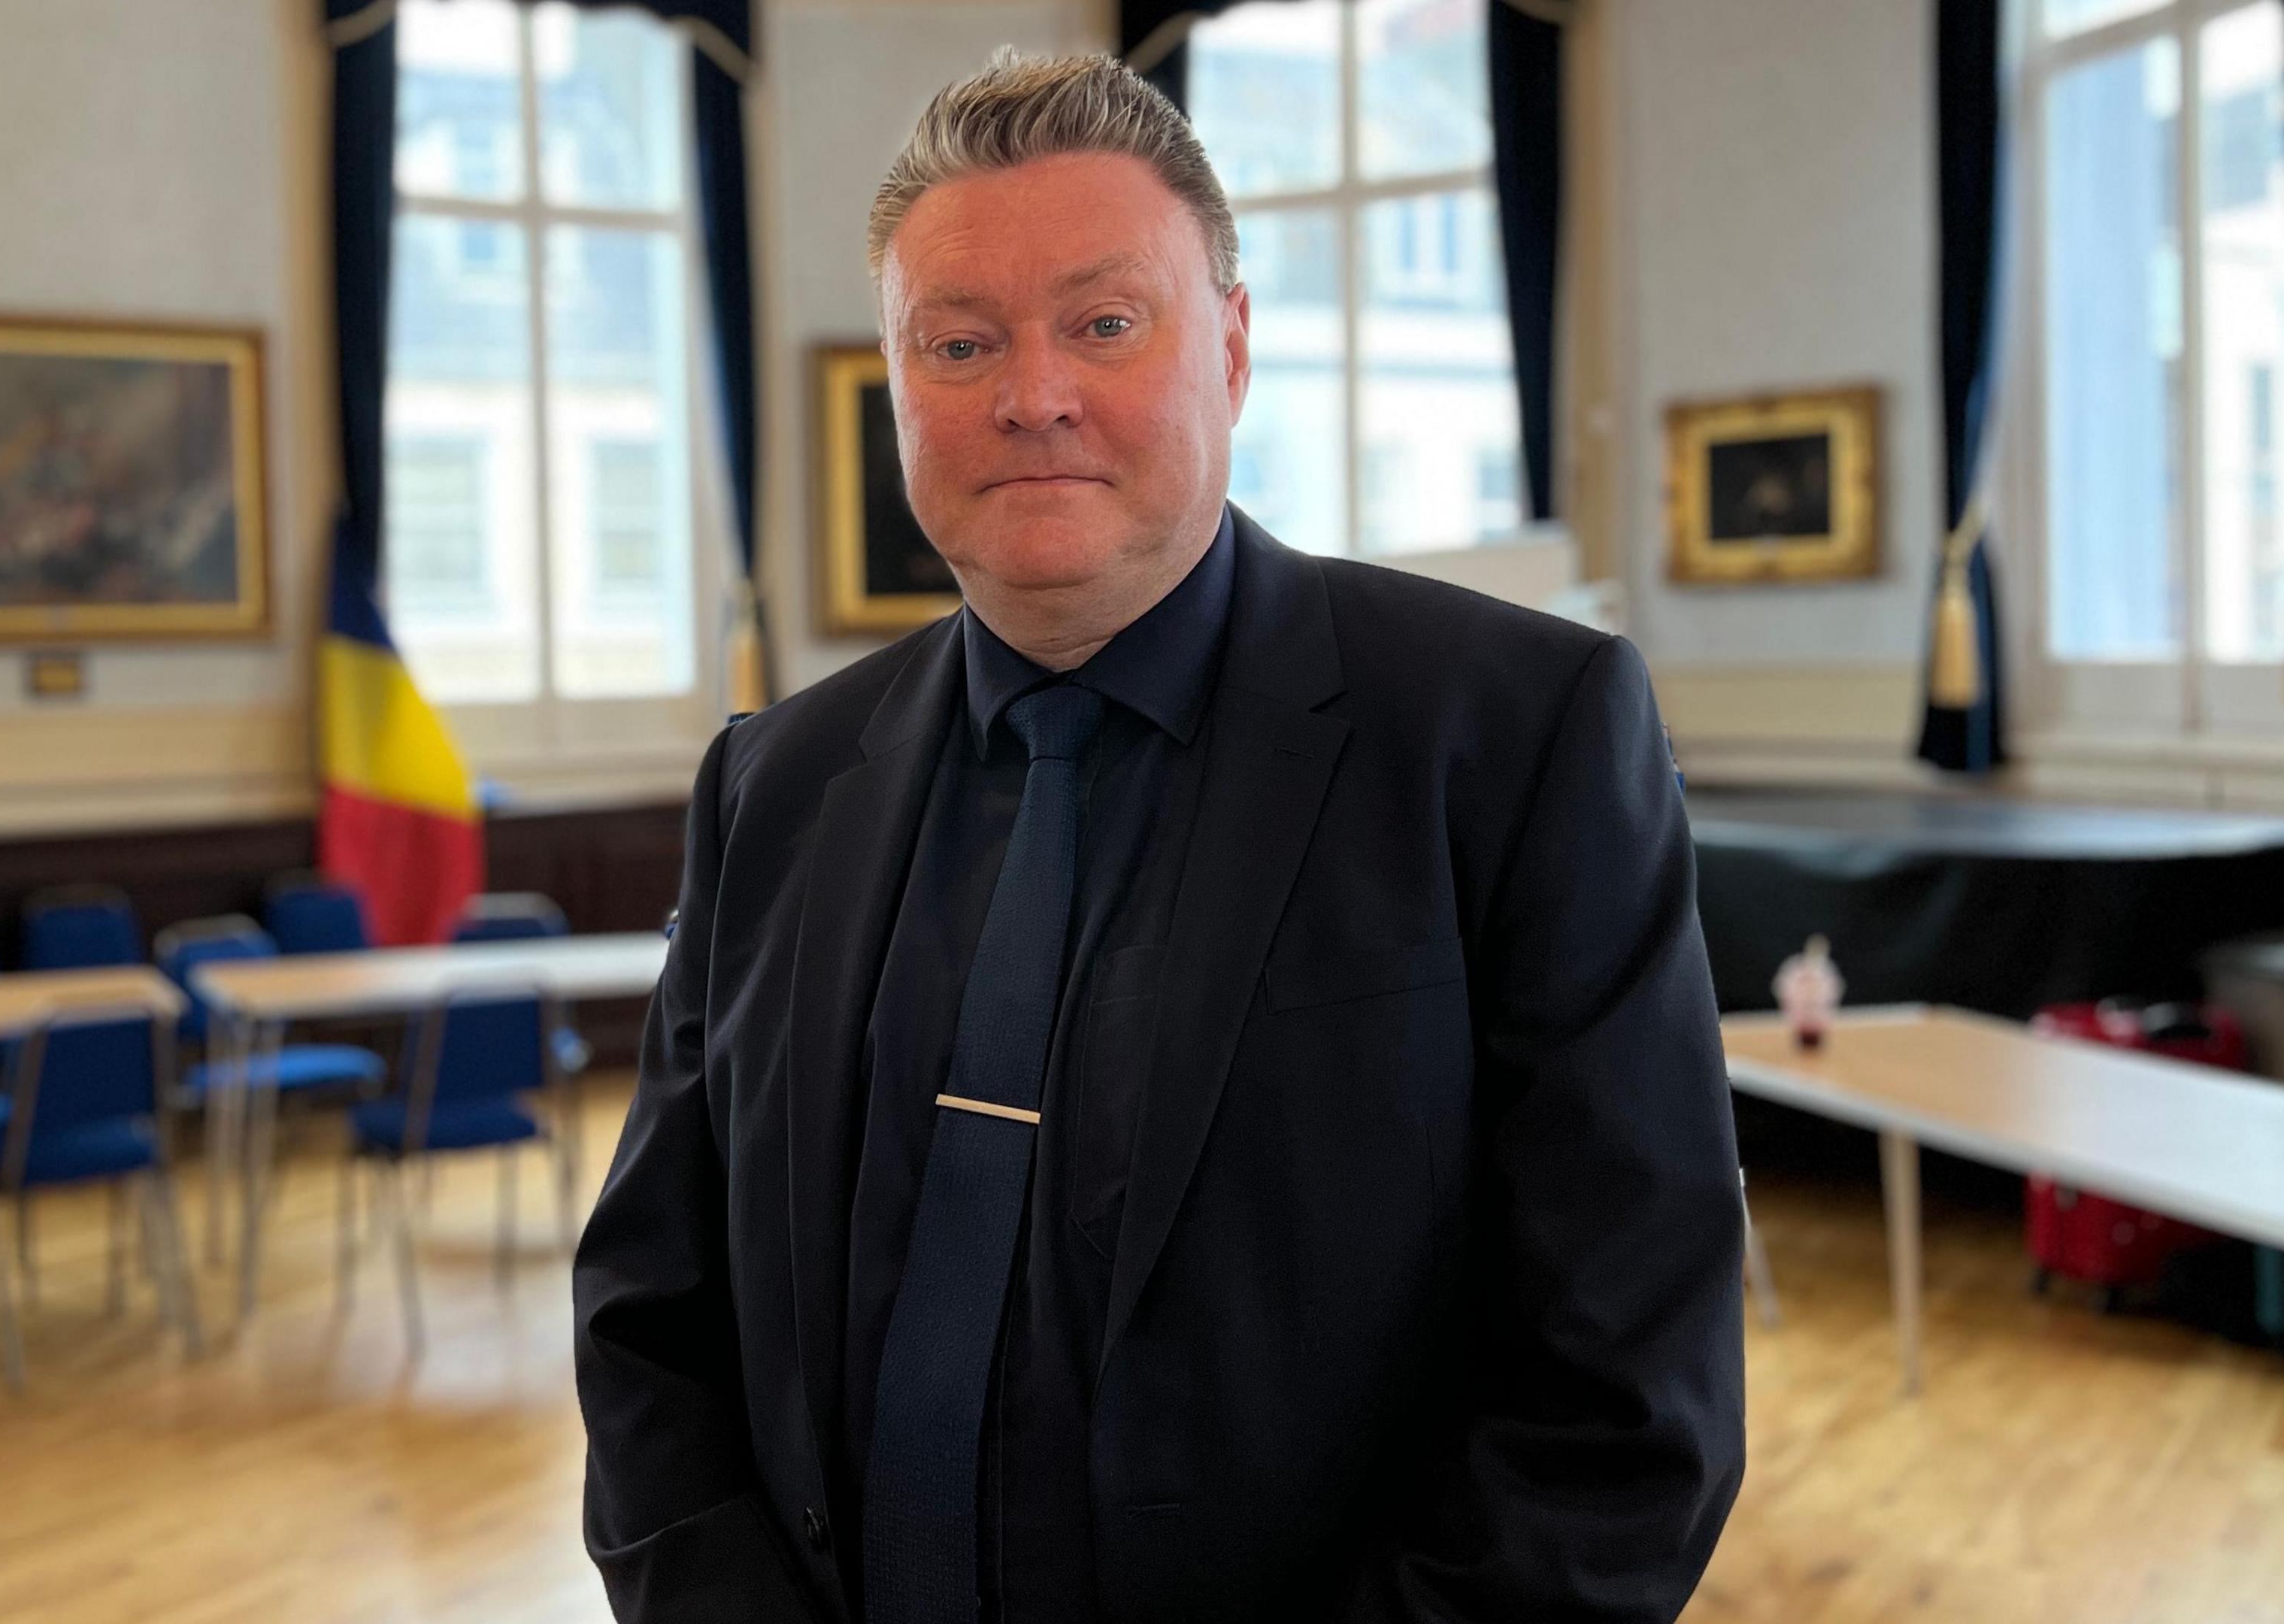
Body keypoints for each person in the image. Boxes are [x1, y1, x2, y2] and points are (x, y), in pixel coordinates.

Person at [574, 49, 1744, 1624]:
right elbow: (653, 1313)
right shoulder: (773, 783)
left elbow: (1622, 1401)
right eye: (959, 341)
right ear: (900, 384)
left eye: (1103, 324)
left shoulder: (1514, 735)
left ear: (1236, 349)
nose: (1031, 393)